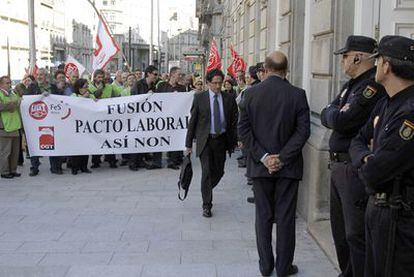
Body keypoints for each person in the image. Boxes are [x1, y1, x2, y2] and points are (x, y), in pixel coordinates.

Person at [238, 51, 310, 277]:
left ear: (265, 69)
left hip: (260, 168)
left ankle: (265, 265)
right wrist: (282, 158)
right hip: (288, 168)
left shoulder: (249, 95)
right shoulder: (298, 94)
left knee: (263, 217)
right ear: (286, 70)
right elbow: (303, 131)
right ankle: (283, 267)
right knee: (286, 218)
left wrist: (264, 158)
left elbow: (243, 131)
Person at [320, 35, 385, 277]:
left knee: (354, 234)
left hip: (351, 167)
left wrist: (335, 113)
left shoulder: (371, 85)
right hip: (338, 166)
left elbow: (342, 120)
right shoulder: (350, 85)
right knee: (340, 233)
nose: (342, 62)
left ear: (357, 57)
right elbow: (329, 111)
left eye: (345, 57)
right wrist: (334, 113)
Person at [349, 35, 414, 277]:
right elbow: (357, 140)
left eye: (378, 62)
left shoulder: (409, 112)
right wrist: (368, 156)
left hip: (400, 218)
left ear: (387, 65)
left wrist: (368, 160)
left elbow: (375, 173)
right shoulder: (386, 103)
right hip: (378, 210)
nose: (375, 67)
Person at [185, 69, 238, 217]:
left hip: (221, 140)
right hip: (205, 140)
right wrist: (188, 144)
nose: (217, 86)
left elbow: (233, 121)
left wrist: (235, 140)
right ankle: (206, 205)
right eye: (214, 83)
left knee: (219, 172)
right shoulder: (200, 98)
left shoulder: (228, 98)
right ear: (208, 83)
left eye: (219, 83)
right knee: (206, 172)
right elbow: (193, 122)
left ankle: (206, 187)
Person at [129, 65, 158, 171]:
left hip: (147, 117)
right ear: (148, 74)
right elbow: (134, 99)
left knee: (143, 139)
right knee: (136, 138)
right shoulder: (138, 84)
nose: (156, 76)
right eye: (154, 74)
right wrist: (146, 95)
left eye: (157, 74)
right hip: (137, 116)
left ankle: (140, 160)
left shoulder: (153, 85)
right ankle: (132, 162)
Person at [157, 66, 186, 170]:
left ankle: (173, 161)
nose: (180, 76)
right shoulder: (161, 86)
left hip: (175, 119)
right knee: (159, 139)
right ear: (172, 74)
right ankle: (157, 161)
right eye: (179, 74)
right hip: (162, 118)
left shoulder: (182, 88)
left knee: (174, 139)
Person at [88, 69, 117, 168]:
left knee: (109, 138)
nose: (100, 79)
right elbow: (93, 97)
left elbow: (116, 97)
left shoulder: (109, 87)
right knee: (96, 139)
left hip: (107, 116)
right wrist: (99, 90)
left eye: (102, 77)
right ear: (94, 77)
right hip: (95, 117)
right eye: (98, 77)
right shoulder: (89, 87)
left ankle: (111, 160)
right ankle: (96, 161)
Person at [26, 68, 50, 176]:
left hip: (51, 120)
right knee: (34, 143)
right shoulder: (32, 87)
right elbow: (27, 100)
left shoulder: (52, 87)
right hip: (36, 120)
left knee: (52, 141)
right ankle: (34, 167)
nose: (39, 77)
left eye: (41, 75)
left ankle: (55, 166)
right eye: (38, 74)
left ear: (46, 77)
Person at [70, 78, 94, 175]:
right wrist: (84, 98)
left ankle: (84, 166)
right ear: (79, 88)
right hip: (75, 125)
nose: (87, 88)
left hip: (87, 124)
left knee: (85, 146)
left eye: (87, 86)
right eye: (84, 87)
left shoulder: (90, 95)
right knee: (76, 147)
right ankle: (74, 167)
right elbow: (73, 105)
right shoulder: (73, 95)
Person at [0, 76, 22, 179]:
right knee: (5, 152)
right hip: (4, 127)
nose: (9, 84)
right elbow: (2, 106)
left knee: (15, 152)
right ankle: (4, 172)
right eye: (6, 83)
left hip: (15, 126)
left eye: (10, 83)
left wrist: (11, 104)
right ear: (1, 84)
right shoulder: (0, 94)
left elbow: (19, 101)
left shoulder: (13, 93)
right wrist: (13, 104)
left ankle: (13, 170)